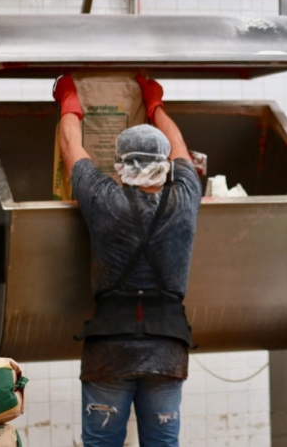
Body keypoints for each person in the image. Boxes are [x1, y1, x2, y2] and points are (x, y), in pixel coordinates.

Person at [53, 72, 202, 447]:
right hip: (167, 351)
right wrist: (155, 106)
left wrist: (69, 101)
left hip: (109, 353)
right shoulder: (186, 198)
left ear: (119, 165)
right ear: (165, 164)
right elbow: (180, 148)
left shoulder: (105, 201)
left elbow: (71, 145)